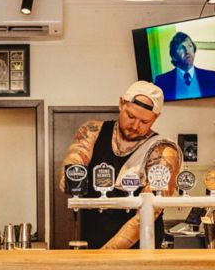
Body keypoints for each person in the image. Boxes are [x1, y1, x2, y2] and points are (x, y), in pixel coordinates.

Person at [60, 81, 181, 249]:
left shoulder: (162, 150)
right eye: (130, 116)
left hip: (140, 249)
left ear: (156, 118)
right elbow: (76, 157)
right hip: (93, 241)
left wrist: (109, 253)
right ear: (121, 103)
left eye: (144, 122)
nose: (135, 126)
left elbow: (149, 211)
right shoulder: (93, 131)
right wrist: (70, 174)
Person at [154, 32, 215, 100]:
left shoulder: (210, 77)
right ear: (174, 56)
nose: (187, 51)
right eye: (181, 47)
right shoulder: (162, 81)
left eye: (190, 46)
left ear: (194, 51)